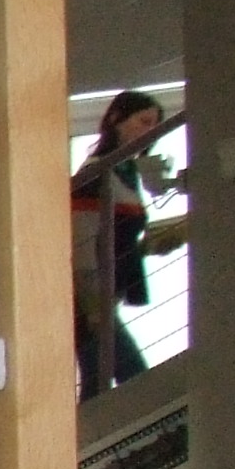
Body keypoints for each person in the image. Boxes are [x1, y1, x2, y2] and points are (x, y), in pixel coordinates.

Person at [72, 88, 180, 396]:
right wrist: (93, 303)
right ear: (117, 119)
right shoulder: (97, 174)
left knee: (99, 380)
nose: (150, 131)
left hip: (104, 296)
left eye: (154, 124)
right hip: (89, 299)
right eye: (143, 121)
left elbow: (116, 240)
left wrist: (151, 245)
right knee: (126, 377)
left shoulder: (124, 173)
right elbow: (82, 241)